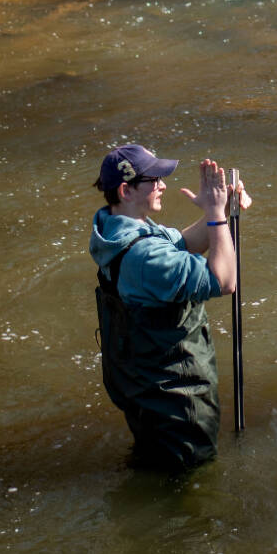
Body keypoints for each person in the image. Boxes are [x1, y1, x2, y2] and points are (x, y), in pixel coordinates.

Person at [89, 143, 248, 471]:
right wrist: (217, 216)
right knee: (191, 481)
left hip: (142, 388)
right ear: (125, 190)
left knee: (154, 464)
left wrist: (223, 208)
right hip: (175, 400)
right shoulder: (147, 257)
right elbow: (224, 281)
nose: (163, 185)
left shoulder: (116, 229)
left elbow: (186, 242)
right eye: (154, 179)